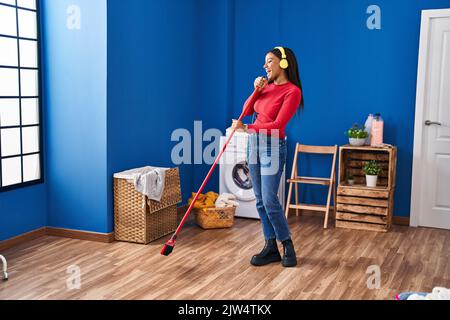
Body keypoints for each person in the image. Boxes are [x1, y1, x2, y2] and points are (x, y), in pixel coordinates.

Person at [232, 47, 304, 267]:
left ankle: (287, 243)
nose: (265, 66)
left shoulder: (292, 91)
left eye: (269, 61)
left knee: (270, 198)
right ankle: (270, 246)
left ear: (283, 64)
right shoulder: (266, 87)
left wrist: (248, 127)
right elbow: (246, 109)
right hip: (253, 145)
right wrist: (256, 90)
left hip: (272, 146)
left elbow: (278, 125)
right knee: (260, 200)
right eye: (264, 62)